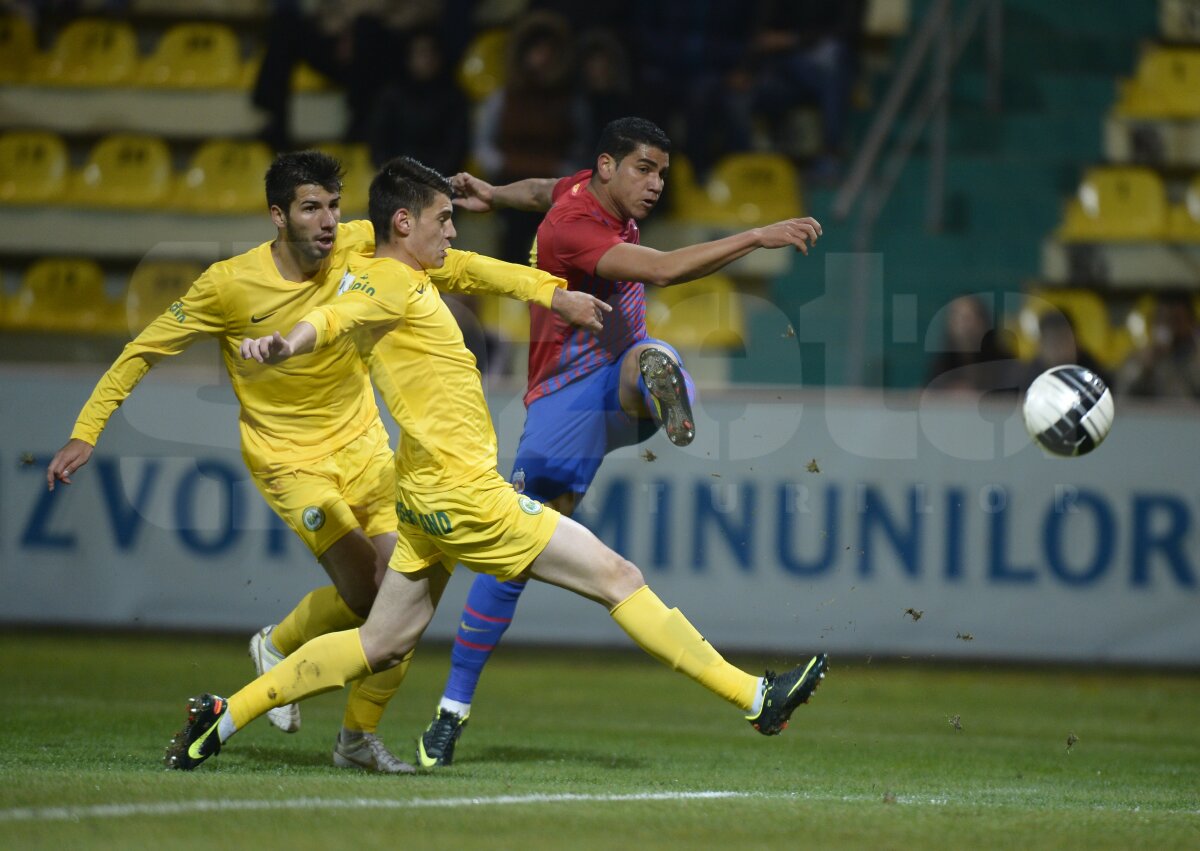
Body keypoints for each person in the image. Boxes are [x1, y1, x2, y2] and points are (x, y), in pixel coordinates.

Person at [164, 156, 828, 771]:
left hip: (425, 494)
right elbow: (334, 320)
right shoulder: (388, 284)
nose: (454, 229)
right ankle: (754, 697)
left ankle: (222, 717)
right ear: (404, 222)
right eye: (443, 219)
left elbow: (472, 272)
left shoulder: (398, 272)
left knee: (380, 642)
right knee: (617, 576)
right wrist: (288, 342)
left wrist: (552, 293)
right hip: (462, 496)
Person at [418, 115, 825, 767]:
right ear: (608, 167)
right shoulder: (574, 228)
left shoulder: (581, 189)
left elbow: (545, 187)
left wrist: (494, 193)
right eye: (645, 168)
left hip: (613, 384)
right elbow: (660, 269)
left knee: (646, 354)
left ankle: (663, 390)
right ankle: (450, 710)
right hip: (562, 405)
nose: (657, 183)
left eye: (663, 171)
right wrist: (757, 234)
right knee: (510, 561)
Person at [1115, 293, 1200, 400]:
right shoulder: (1142, 359)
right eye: (1164, 320)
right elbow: (1121, 396)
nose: (1173, 327)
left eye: (1177, 319)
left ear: (1191, 323)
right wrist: (1144, 367)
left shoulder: (1195, 357)